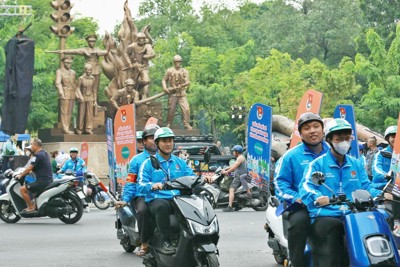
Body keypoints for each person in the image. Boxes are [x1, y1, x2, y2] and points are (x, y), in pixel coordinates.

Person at [299, 118, 382, 267]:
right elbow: (305, 186)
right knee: (334, 228)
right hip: (327, 214)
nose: (344, 142)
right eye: (339, 139)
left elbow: (366, 186)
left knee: (380, 219)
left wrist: (384, 194)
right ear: (330, 140)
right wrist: (318, 197)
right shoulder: (317, 164)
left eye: (347, 138)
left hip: (354, 214)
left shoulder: (356, 163)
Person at [274, 112, 329, 267]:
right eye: (307, 128)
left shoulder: (333, 153)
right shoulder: (291, 156)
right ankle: (297, 261)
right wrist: (296, 197)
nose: (312, 131)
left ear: (323, 130)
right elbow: (280, 183)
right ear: (300, 133)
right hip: (302, 205)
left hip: (331, 204)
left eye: (316, 126)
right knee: (299, 223)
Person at [137, 127, 195, 254]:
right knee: (161, 206)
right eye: (164, 141)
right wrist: (152, 185)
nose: (168, 144)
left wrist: (205, 179)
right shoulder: (148, 163)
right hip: (158, 199)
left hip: (178, 199)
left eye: (170, 141)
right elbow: (140, 185)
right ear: (157, 143)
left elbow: (191, 177)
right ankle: (166, 240)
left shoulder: (180, 162)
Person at [116, 124, 160, 256]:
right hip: (142, 195)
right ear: (144, 141)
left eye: (156, 138)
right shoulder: (137, 160)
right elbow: (130, 182)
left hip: (163, 194)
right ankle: (144, 243)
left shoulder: (167, 158)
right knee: (143, 211)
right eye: (150, 138)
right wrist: (125, 199)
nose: (153, 140)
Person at [56, 34, 108, 101]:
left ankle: (95, 102)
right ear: (87, 42)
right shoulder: (85, 50)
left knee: (95, 88)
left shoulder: (97, 49)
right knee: (85, 86)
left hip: (96, 71)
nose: (92, 43)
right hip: (88, 71)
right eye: (90, 41)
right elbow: (74, 51)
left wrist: (96, 52)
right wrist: (64, 51)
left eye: (93, 41)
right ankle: (83, 99)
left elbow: (106, 52)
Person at [372, 125, 400, 235]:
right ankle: (396, 222)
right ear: (387, 139)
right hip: (383, 185)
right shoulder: (381, 153)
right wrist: (386, 175)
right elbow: (376, 168)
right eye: (392, 136)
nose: (394, 138)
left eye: (397, 136)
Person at [15, 138, 53, 213]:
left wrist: (21, 175)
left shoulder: (37, 155)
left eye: (32, 144)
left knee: (22, 189)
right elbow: (39, 167)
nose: (31, 146)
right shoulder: (44, 153)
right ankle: (35, 205)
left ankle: (31, 207)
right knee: (33, 189)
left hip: (42, 181)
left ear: (35, 146)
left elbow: (29, 168)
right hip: (47, 179)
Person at [162, 55, 192, 130]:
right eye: (176, 62)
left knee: (186, 109)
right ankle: (169, 123)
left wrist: (181, 86)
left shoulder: (185, 71)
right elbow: (164, 80)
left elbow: (188, 82)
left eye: (179, 62)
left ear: (181, 62)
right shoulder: (169, 70)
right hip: (173, 94)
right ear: (174, 62)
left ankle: (186, 124)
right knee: (171, 109)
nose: (177, 63)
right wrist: (165, 88)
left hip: (181, 93)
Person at [124, 32, 155, 99]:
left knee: (146, 81)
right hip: (135, 66)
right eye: (140, 39)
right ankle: (133, 97)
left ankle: (144, 96)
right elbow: (126, 54)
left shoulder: (147, 46)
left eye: (143, 39)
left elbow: (153, 54)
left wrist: (146, 56)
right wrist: (129, 63)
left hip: (144, 66)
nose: (142, 40)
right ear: (137, 39)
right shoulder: (132, 46)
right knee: (133, 83)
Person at [55, 56, 79, 134]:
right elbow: (58, 83)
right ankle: (65, 128)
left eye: (70, 63)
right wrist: (61, 93)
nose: (69, 64)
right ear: (63, 63)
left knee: (69, 112)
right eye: (67, 63)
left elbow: (75, 84)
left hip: (72, 93)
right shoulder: (59, 71)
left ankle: (67, 127)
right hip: (65, 93)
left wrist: (77, 94)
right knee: (64, 112)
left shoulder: (73, 72)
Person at [221, 145, 248, 212]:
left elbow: (234, 167)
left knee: (231, 190)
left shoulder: (240, 158)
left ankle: (229, 206)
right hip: (238, 176)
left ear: (237, 152)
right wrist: (225, 168)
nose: (233, 152)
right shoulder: (240, 157)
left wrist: (226, 172)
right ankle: (238, 205)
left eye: (234, 151)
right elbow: (233, 165)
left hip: (239, 177)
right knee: (235, 191)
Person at [76, 63, 96, 135]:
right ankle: (80, 129)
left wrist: (95, 100)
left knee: (89, 114)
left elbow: (94, 89)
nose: (89, 71)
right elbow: (77, 88)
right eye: (88, 70)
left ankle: (88, 128)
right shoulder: (81, 78)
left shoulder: (93, 78)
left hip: (90, 97)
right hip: (83, 97)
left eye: (91, 70)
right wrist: (80, 96)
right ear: (85, 70)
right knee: (81, 113)